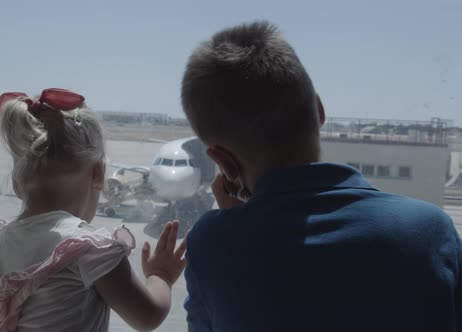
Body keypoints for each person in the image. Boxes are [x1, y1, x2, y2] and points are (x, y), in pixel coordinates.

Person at [180, 21, 462, 331]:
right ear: (319, 110)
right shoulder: (428, 230)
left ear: (224, 163)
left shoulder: (211, 245)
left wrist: (235, 223)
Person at [0, 88, 186, 332]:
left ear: (15, 183)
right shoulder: (86, 250)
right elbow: (146, 317)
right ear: (98, 174)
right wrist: (161, 276)